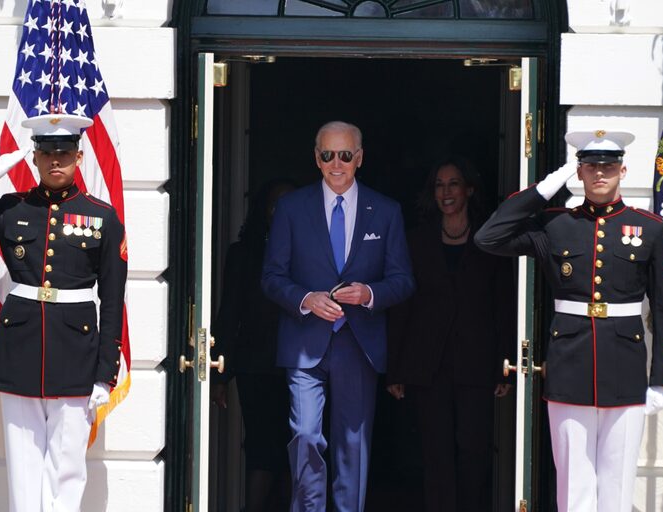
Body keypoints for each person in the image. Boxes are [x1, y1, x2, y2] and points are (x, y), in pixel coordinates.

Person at [0, 113, 127, 512]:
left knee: (66, 468)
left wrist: (106, 372)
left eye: (64, 153)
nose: (55, 161)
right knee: (23, 465)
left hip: (76, 354)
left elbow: (114, 300)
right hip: (20, 349)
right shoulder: (11, 208)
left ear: (79, 157)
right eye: (46, 153)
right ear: (34, 157)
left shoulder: (101, 217)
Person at [474, 130, 663, 512]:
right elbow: (489, 237)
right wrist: (547, 187)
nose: (600, 173)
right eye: (590, 167)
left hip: (625, 368)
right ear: (579, 172)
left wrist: (661, 378)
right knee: (573, 487)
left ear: (622, 171)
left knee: (617, 488)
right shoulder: (555, 225)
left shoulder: (650, 229)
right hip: (569, 366)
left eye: (608, 167)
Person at [261, 121, 415, 512]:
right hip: (304, 342)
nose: (336, 164)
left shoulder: (385, 211)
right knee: (305, 435)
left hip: (358, 343)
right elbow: (272, 277)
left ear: (359, 158)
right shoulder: (292, 208)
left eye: (345, 155)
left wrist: (369, 294)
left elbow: (403, 281)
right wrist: (306, 299)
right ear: (316, 158)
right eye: (328, 155)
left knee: (352, 447)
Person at [386, 156, 514, 512]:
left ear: (469, 190)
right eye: (439, 185)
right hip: (428, 363)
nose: (446, 192)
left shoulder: (490, 238)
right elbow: (402, 307)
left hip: (477, 361)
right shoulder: (416, 241)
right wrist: (395, 369)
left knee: (473, 449)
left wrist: (505, 363)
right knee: (435, 452)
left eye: (453, 183)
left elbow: (504, 303)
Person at [211, 179, 296, 512]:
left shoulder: (309, 252)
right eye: (276, 205)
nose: (283, 212)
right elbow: (229, 314)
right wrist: (220, 375)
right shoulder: (244, 254)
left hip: (300, 367)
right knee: (263, 447)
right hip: (256, 366)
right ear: (264, 210)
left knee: (295, 448)